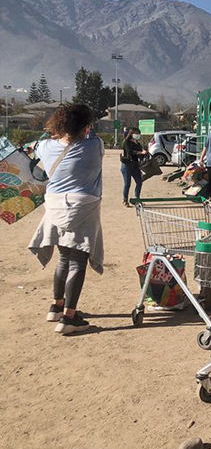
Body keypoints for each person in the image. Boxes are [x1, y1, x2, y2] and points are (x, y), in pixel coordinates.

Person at [28, 104, 104, 335]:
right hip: (83, 206)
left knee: (63, 259)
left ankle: (57, 306)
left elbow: (34, 146)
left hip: (54, 205)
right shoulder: (95, 145)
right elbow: (90, 137)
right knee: (77, 262)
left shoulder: (46, 146)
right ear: (85, 126)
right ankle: (70, 318)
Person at [120, 128, 147, 207]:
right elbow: (130, 152)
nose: (138, 135)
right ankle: (125, 200)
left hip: (135, 165)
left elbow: (139, 155)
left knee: (139, 182)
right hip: (127, 165)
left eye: (139, 133)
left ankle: (137, 199)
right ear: (131, 133)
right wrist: (140, 152)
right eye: (136, 133)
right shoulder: (127, 142)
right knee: (127, 183)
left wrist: (144, 153)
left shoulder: (138, 144)